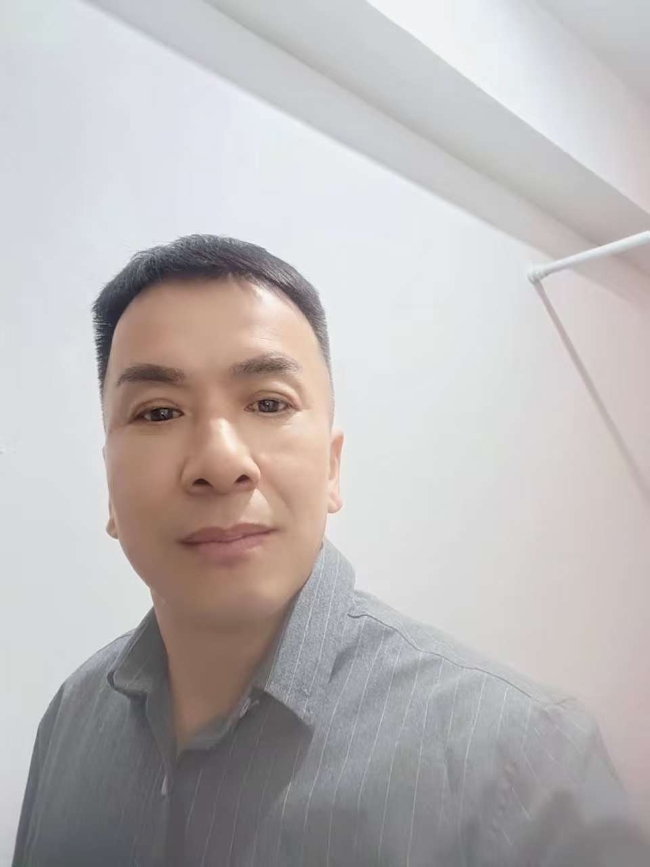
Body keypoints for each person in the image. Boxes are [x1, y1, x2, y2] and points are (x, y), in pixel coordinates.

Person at [13, 235, 648, 866]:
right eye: (157, 413)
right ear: (109, 489)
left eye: (269, 403)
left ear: (332, 470)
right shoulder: (70, 718)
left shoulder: (527, 769)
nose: (220, 462)